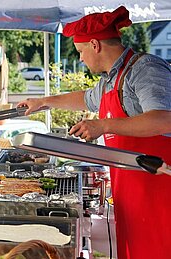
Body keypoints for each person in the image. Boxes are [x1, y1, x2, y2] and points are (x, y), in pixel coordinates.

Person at [18, 6, 171, 259]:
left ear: (94, 45)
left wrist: (103, 125)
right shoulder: (113, 79)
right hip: (131, 189)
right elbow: (86, 98)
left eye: (80, 52)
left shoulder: (145, 69)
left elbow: (164, 119)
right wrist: (43, 102)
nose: (80, 59)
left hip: (160, 189)